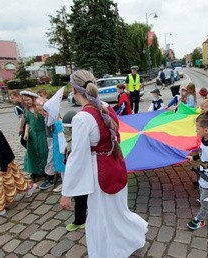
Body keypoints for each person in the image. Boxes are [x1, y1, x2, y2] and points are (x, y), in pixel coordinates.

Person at [61, 70, 147, 257]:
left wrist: (67, 192)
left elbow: (76, 158)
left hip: (99, 171)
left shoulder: (82, 118)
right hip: (114, 163)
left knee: (100, 216)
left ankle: (107, 252)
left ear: (75, 91)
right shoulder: (106, 107)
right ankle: (130, 237)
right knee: (117, 210)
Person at [21, 90, 48, 178]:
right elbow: (28, 123)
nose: (26, 102)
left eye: (28, 100)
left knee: (43, 152)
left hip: (42, 134)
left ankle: (46, 170)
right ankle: (36, 170)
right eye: (24, 100)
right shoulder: (27, 110)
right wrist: (26, 132)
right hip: (32, 135)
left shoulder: (40, 108)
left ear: (33, 99)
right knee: (34, 152)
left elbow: (47, 119)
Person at [36, 89, 56, 189]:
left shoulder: (52, 118)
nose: (41, 113)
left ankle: (50, 178)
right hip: (50, 139)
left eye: (43, 111)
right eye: (39, 111)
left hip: (53, 140)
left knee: (51, 158)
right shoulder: (46, 118)